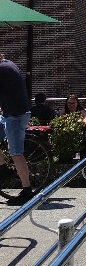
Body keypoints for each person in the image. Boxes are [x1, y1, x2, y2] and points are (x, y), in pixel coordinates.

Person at [0, 54, 33, 203]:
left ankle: (27, 191)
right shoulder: (7, 63)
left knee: (16, 153)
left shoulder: (2, 69)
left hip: (15, 116)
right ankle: (3, 169)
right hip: (13, 112)